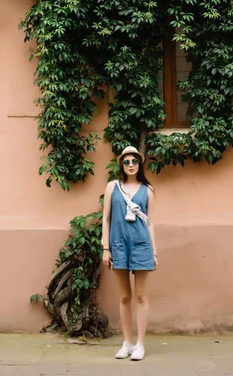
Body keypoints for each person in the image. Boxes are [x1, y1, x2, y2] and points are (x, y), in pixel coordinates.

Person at [101, 145, 158, 361]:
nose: (131, 165)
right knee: (125, 296)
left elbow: (150, 223)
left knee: (141, 296)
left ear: (140, 164)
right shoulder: (112, 187)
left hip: (142, 244)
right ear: (121, 165)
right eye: (127, 162)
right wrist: (106, 248)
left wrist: (154, 252)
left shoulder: (148, 189)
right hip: (118, 245)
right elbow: (106, 219)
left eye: (135, 161)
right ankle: (127, 343)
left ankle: (140, 345)